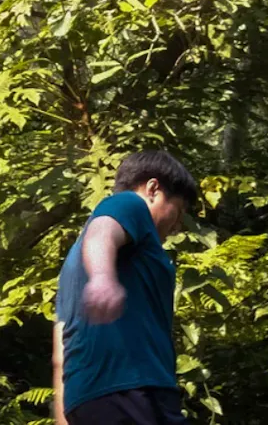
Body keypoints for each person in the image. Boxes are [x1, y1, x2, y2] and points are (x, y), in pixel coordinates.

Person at [53, 150, 199, 425]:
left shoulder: (70, 269)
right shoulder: (130, 203)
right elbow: (102, 231)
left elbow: (60, 353)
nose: (177, 226)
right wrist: (102, 278)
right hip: (132, 388)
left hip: (89, 398)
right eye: (178, 211)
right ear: (153, 189)